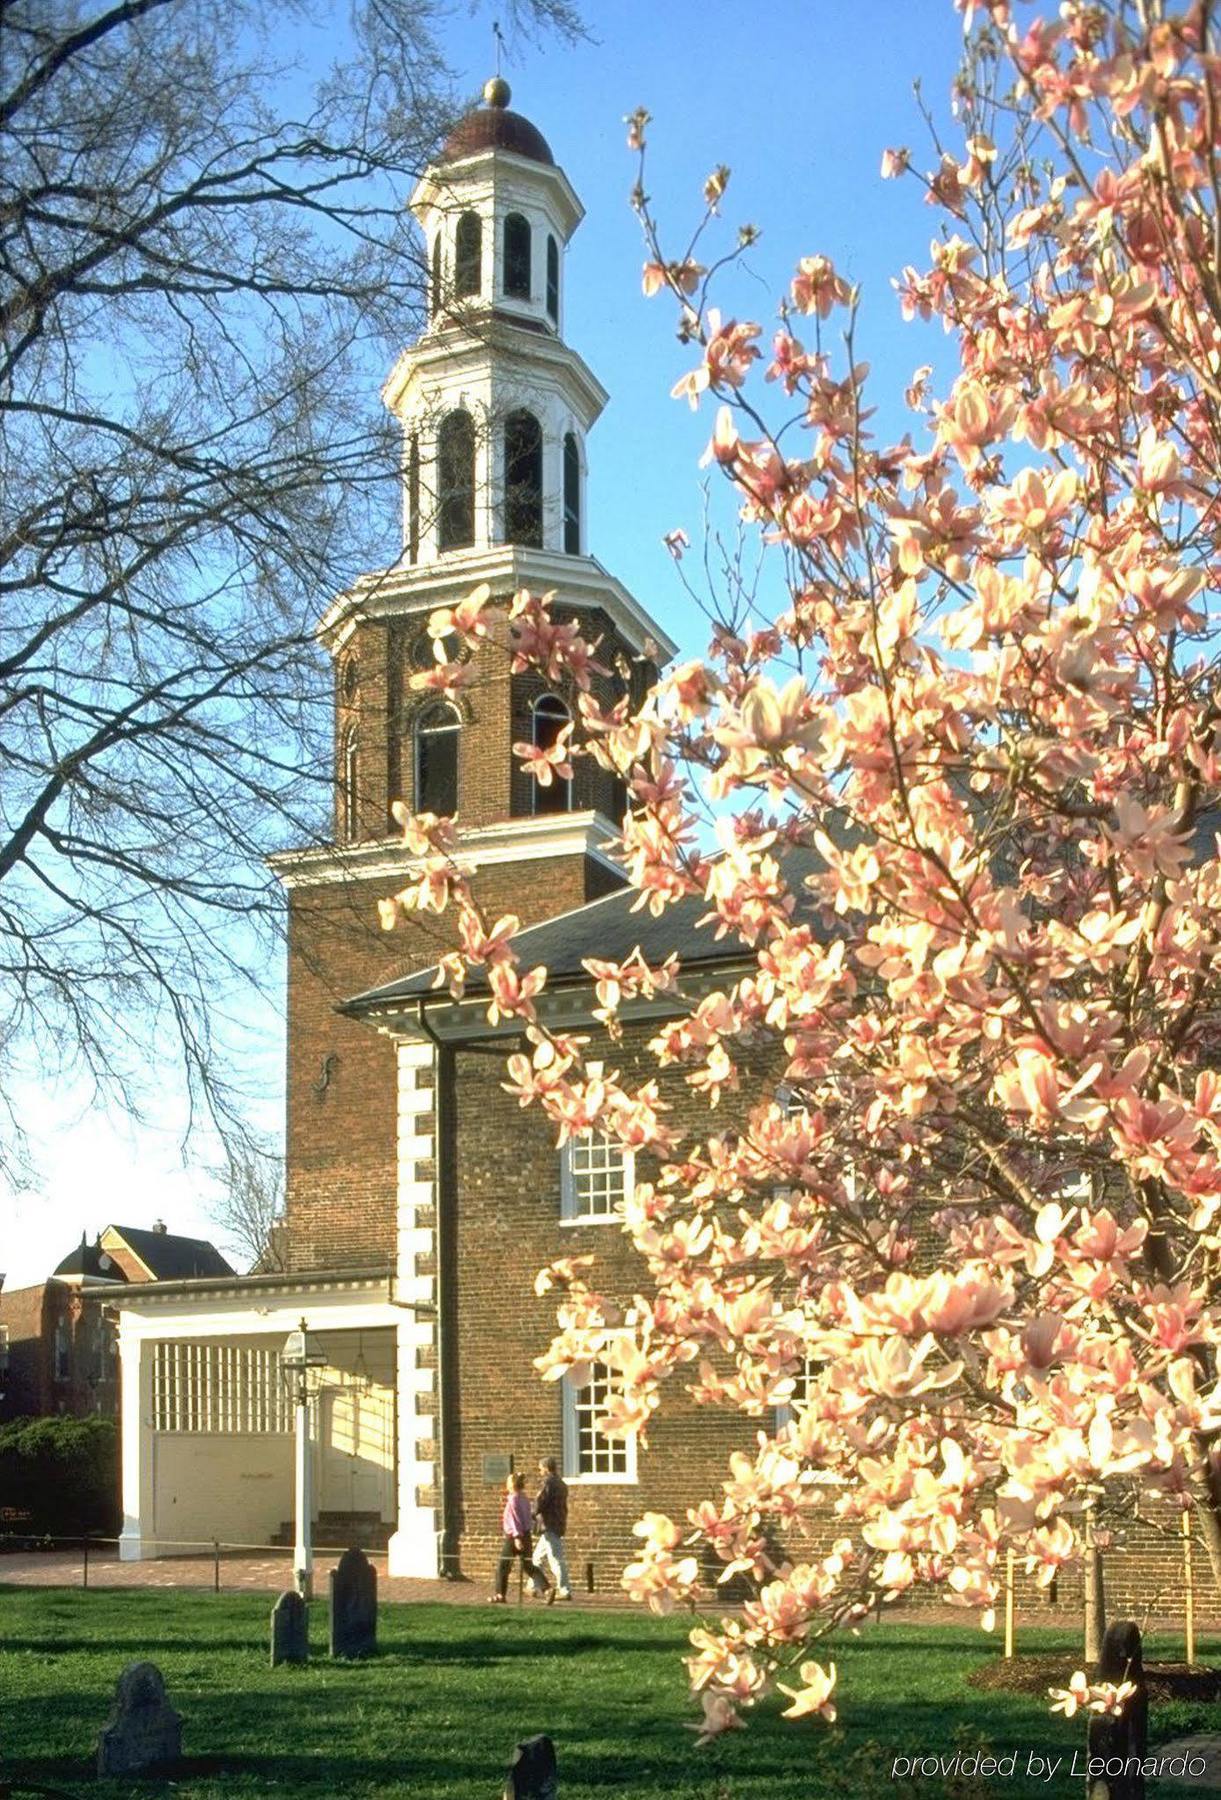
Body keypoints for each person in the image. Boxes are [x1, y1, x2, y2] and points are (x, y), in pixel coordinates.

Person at [490, 1471, 552, 1604]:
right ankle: (547, 1589)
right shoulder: (524, 1498)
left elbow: (514, 1520)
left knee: (503, 1566)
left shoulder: (513, 1499)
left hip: (514, 1537)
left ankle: (500, 1595)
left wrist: (517, 1537)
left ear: (512, 1484)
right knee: (529, 1566)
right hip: (527, 1535)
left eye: (508, 1482)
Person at [533, 1455, 571, 1600]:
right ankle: (533, 1587)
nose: (540, 1471)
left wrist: (531, 1514)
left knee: (555, 1559)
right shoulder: (561, 1483)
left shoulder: (548, 1483)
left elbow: (540, 1501)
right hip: (557, 1523)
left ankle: (565, 1590)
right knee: (537, 1558)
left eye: (541, 1468)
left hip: (549, 1524)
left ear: (546, 1468)